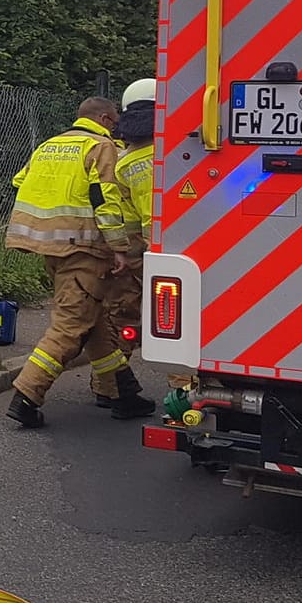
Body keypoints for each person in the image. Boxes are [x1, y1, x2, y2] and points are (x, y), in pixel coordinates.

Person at [4, 97, 155, 427]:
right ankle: (26, 396)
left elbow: (19, 182)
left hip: (50, 247)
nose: (118, 128)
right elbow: (105, 200)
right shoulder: (101, 148)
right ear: (103, 118)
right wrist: (119, 247)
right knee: (69, 326)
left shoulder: (49, 145)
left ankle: (123, 392)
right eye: (114, 121)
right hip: (84, 249)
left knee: (94, 321)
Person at [102, 79, 172, 397]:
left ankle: (110, 384)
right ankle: (182, 389)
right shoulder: (177, 151)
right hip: (182, 249)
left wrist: (126, 256)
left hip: (142, 252)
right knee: (177, 320)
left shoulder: (122, 164)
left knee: (124, 313)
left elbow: (124, 215)